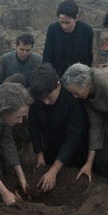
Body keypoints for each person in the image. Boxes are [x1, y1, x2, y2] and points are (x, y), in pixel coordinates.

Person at [28, 63, 88, 192]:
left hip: (74, 152)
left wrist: (54, 170)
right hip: (50, 146)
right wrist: (39, 153)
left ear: (58, 85)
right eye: (42, 100)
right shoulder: (38, 97)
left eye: (49, 98)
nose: (46, 103)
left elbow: (73, 137)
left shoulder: (73, 99)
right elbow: (34, 126)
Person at [43, 0, 93, 77]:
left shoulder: (87, 31)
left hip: (77, 76)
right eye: (61, 22)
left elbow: (88, 58)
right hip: (56, 74)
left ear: (76, 18)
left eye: (67, 22)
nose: (64, 26)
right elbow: (47, 56)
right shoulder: (53, 29)